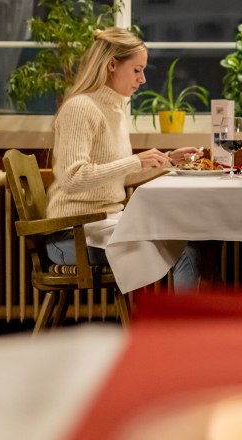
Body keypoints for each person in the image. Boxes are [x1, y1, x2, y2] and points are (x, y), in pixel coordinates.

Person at [45, 28, 203, 292]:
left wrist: (168, 161)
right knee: (186, 252)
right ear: (111, 65)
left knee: (192, 244)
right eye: (137, 70)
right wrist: (136, 161)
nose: (142, 79)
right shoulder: (80, 108)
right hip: (71, 237)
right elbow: (73, 179)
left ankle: (197, 327)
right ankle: (184, 332)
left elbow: (119, 175)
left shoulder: (115, 109)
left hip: (101, 227)